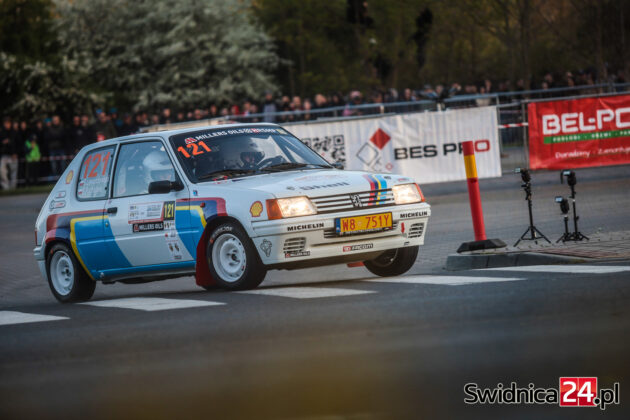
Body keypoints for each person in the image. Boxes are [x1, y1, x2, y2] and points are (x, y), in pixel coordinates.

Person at [0, 117, 18, 190]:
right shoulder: (1, 133)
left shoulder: (14, 132)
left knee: (14, 172)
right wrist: (3, 143)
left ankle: (13, 187)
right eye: (6, 123)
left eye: (8, 123)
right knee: (2, 170)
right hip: (4, 155)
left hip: (13, 155)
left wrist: (15, 153)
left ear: (10, 124)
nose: (7, 125)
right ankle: (6, 187)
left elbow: (17, 143)